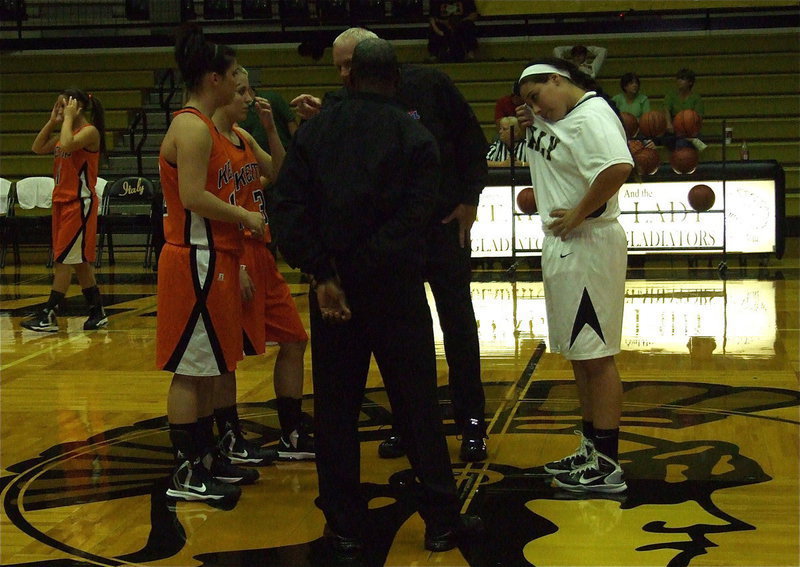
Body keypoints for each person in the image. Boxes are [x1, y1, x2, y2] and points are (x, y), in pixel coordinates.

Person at [272, 37, 482, 557]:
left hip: (331, 296)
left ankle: (343, 524)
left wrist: (326, 275)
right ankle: (440, 520)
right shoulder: (415, 137)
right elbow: (413, 222)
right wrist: (361, 274)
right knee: (416, 407)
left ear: (349, 77)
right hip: (394, 291)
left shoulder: (314, 133)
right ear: (396, 79)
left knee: (337, 412)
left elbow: (287, 209)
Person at [157, 24, 266, 505]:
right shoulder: (190, 126)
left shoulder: (205, 125)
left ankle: (204, 457)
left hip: (215, 256)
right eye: (230, 73)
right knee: (190, 367)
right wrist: (244, 215)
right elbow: (192, 196)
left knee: (207, 367)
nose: (235, 79)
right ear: (212, 78)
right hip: (194, 256)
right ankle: (185, 470)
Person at [515, 56, 632, 493]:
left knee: (597, 357)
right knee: (581, 356)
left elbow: (618, 169)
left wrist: (580, 214)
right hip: (566, 246)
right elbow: (546, 135)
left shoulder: (594, 113)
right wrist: (528, 119)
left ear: (556, 79)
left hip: (589, 244)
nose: (537, 108)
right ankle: (591, 448)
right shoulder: (557, 119)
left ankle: (607, 464)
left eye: (537, 96)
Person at [213, 67, 314, 463]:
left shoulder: (243, 136)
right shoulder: (206, 138)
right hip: (233, 254)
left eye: (250, 90)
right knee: (227, 353)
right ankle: (229, 437)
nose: (250, 98)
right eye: (241, 91)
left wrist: (272, 129)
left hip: (261, 251)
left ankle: (290, 433)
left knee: (295, 338)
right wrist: (234, 262)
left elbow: (280, 173)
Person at [21, 88, 108, 333]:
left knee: (62, 260)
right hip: (62, 202)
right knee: (78, 261)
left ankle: (49, 314)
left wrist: (68, 119)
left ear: (77, 106)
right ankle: (97, 311)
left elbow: (69, 144)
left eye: (63, 105)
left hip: (79, 204)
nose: (60, 109)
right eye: (58, 106)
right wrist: (53, 121)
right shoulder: (65, 132)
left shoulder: (89, 132)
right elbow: (37, 147)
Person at [237, 85, 297, 151]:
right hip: (258, 156)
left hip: (285, 152)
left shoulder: (272, 98)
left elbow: (292, 125)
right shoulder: (237, 112)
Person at [663, 67, 705, 132]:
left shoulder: (696, 98)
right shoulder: (671, 95)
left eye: (682, 79)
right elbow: (666, 110)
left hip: (690, 130)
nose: (679, 81)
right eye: (678, 78)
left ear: (690, 82)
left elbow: (699, 117)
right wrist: (668, 123)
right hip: (674, 129)